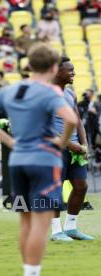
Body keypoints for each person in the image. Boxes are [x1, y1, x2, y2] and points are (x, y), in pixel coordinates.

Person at [0, 43, 78, 276]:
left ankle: (27, 270)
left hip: (17, 161)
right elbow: (70, 119)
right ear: (53, 67)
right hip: (44, 161)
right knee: (41, 223)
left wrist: (9, 142)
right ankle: (32, 273)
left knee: (25, 221)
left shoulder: (11, 90)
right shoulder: (50, 91)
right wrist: (61, 143)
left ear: (29, 65)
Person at [50, 57, 94, 241]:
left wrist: (84, 144)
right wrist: (71, 144)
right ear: (57, 71)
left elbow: (77, 121)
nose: (74, 73)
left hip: (75, 149)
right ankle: (55, 231)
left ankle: (71, 228)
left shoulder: (70, 94)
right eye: (70, 70)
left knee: (81, 186)